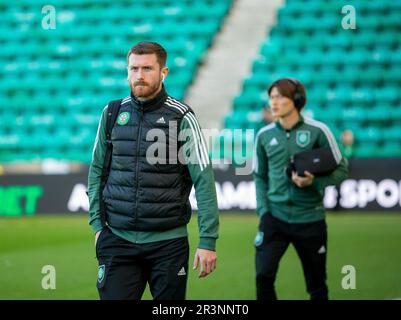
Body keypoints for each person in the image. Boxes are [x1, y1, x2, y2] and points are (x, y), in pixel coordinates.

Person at [87, 42, 219, 300]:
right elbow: (97, 172)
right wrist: (97, 226)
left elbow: (203, 179)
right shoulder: (113, 113)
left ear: (163, 72)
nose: (139, 75)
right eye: (134, 68)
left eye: (147, 68)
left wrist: (207, 240)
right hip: (117, 239)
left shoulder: (181, 117)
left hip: (168, 243)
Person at [253, 78, 348, 300]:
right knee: (263, 278)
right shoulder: (263, 135)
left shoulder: (318, 131)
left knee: (316, 286)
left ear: (296, 100)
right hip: (274, 218)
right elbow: (259, 176)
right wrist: (263, 211)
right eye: (271, 97)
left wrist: (314, 183)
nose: (273, 103)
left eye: (280, 97)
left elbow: (342, 170)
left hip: (310, 219)